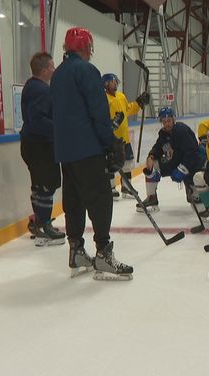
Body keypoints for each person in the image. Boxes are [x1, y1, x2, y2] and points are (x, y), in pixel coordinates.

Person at [51, 27, 132, 280]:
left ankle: (76, 250)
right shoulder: (87, 70)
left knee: (74, 200)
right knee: (100, 198)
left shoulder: (58, 74)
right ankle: (103, 254)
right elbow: (98, 112)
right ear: (86, 47)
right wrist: (110, 142)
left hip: (66, 151)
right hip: (88, 148)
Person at [20, 51, 65, 247]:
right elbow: (38, 120)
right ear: (45, 70)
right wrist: (60, 128)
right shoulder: (41, 90)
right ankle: (44, 226)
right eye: (52, 66)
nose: (54, 70)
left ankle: (39, 223)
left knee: (39, 185)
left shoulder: (31, 86)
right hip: (40, 145)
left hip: (32, 144)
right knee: (47, 184)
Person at [136, 107, 205, 213]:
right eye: (164, 121)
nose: (167, 124)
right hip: (175, 164)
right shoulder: (163, 134)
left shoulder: (181, 130)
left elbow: (192, 153)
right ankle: (152, 198)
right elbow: (158, 147)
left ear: (173, 120)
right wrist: (151, 156)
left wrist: (182, 169)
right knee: (152, 165)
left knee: (197, 204)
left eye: (169, 121)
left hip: (191, 167)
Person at [102, 72, 149, 200]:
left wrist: (139, 103)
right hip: (112, 138)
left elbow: (128, 110)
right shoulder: (103, 99)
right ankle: (111, 188)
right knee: (111, 164)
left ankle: (126, 188)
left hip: (124, 138)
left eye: (116, 81)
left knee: (127, 164)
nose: (115, 83)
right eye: (113, 81)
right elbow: (101, 117)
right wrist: (111, 123)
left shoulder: (121, 96)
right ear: (106, 84)